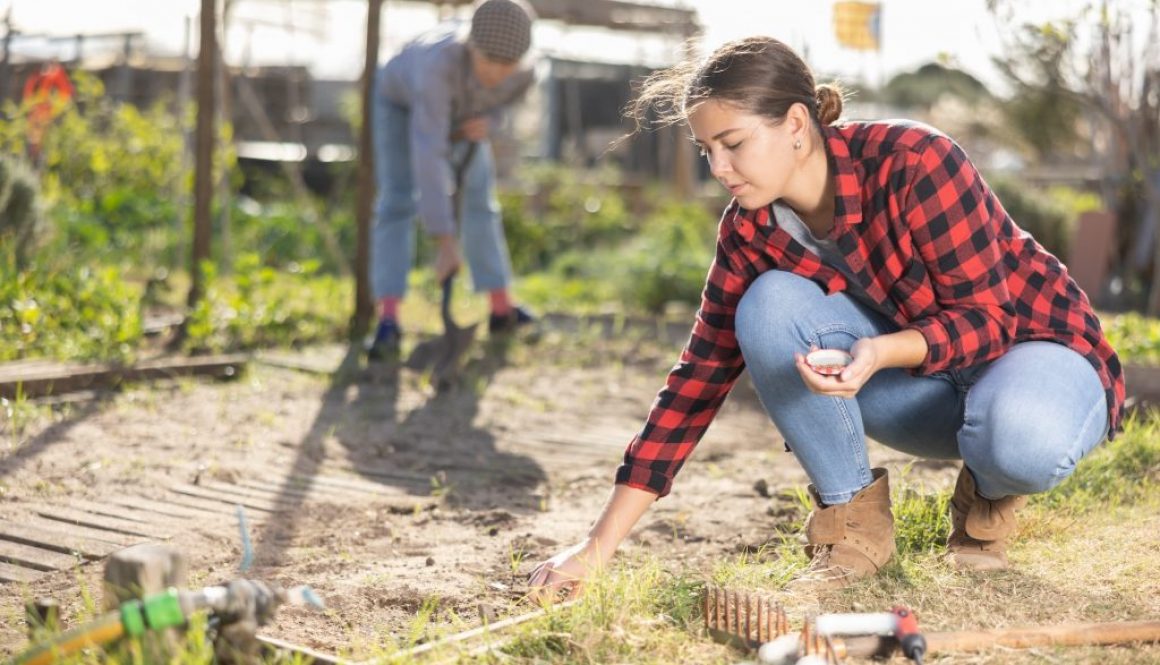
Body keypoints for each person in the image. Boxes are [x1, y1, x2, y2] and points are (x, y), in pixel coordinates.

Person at [529, 36, 1125, 596]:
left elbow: (990, 320)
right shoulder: (750, 231)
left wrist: (881, 352)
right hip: (922, 392)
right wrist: (597, 546)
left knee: (1022, 442)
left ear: (794, 124)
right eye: (706, 150)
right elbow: (697, 380)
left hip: (1032, 352)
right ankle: (854, 531)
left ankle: (988, 502)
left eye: (732, 144)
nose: (719, 167)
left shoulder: (913, 160)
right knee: (767, 304)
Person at [368, 0, 537, 360]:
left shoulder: (523, 71)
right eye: (488, 62)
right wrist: (445, 241)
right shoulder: (437, 67)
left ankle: (501, 308)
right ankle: (388, 320)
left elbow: (509, 107)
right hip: (401, 103)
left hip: (467, 111)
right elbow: (428, 156)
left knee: (480, 200)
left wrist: (492, 121)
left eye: (506, 66)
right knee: (397, 199)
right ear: (470, 47)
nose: (496, 73)